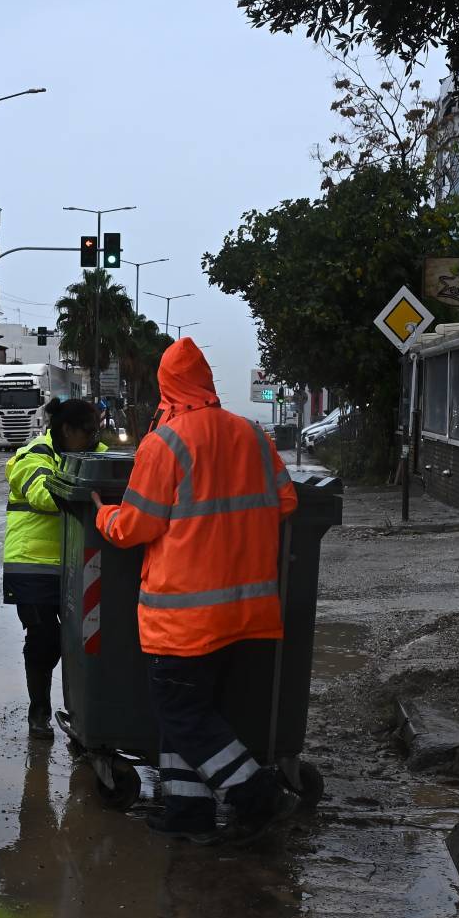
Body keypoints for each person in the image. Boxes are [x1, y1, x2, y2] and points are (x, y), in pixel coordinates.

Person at [92, 338, 300, 841]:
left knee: (183, 715)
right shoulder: (251, 433)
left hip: (183, 615)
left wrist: (103, 514)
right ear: (206, 379)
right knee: (191, 714)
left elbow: (135, 527)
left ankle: (259, 796)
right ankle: (189, 814)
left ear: (167, 385)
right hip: (243, 610)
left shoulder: (165, 443)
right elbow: (287, 502)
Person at [3, 397, 106, 737]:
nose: (94, 438)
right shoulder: (34, 455)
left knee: (85, 640)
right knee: (44, 640)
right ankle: (39, 713)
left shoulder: (94, 453)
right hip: (32, 566)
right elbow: (43, 495)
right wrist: (92, 492)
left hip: (77, 565)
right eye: (88, 431)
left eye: (96, 431)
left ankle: (84, 714)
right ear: (67, 430)